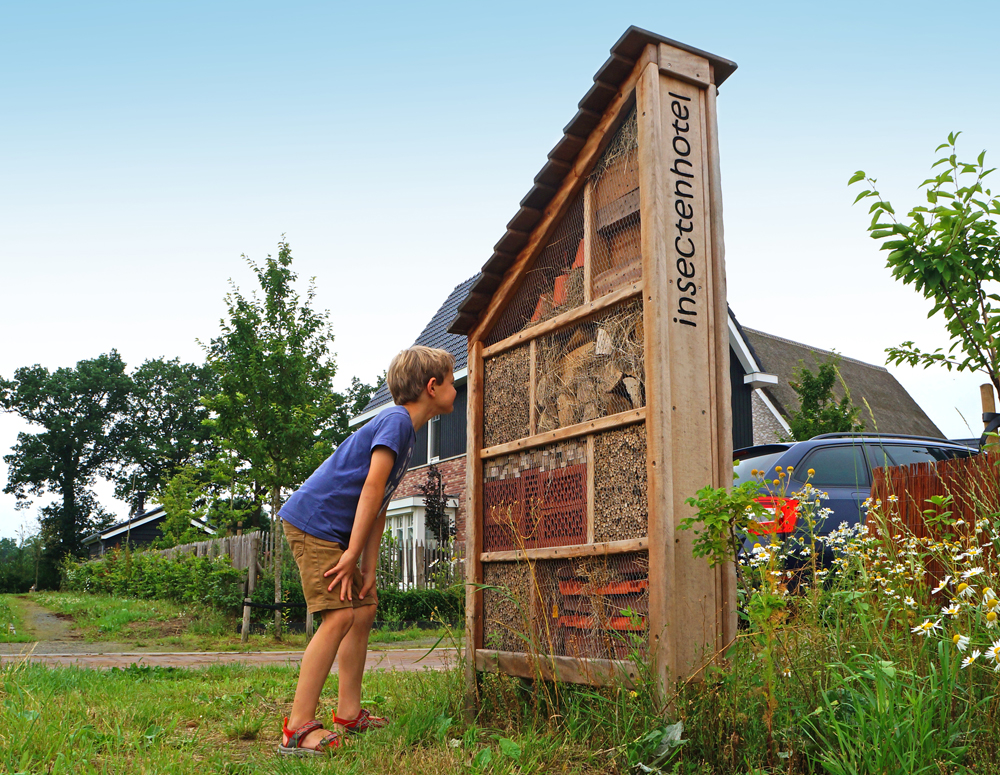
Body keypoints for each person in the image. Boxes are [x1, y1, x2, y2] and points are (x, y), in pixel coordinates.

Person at [277, 345, 457, 755]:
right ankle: (297, 728)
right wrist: (350, 552)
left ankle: (348, 712)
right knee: (339, 615)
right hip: (315, 523)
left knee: (364, 607)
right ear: (432, 387)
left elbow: (381, 501)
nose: (455, 391)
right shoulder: (395, 421)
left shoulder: (405, 431)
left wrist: (367, 563)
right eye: (450, 383)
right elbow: (371, 488)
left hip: (337, 533)